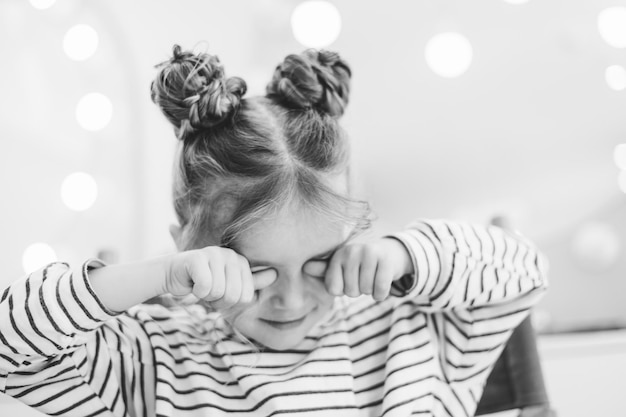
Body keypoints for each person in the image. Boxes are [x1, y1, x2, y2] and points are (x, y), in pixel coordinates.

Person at [0, 45, 548, 417]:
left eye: (320, 263)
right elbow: (10, 349)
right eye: (255, 273)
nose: (289, 299)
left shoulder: (414, 335)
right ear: (186, 249)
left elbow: (524, 271)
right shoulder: (150, 360)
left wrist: (410, 256)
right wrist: (154, 278)